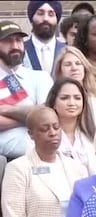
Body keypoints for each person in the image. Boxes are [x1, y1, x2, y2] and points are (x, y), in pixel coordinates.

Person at [0, 21, 53, 159]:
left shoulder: (40, 77)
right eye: (8, 41)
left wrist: (5, 110)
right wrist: (31, 116)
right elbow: (40, 115)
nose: (15, 46)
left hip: (42, 155)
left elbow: (47, 114)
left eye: (19, 40)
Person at [45, 78, 96, 175]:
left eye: (77, 98)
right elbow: (36, 171)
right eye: (64, 98)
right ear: (53, 102)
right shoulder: (41, 135)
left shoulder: (95, 135)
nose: (71, 103)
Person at [54, 46, 96, 127]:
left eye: (78, 63)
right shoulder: (54, 97)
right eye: (68, 64)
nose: (74, 68)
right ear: (60, 70)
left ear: (84, 68)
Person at [23, 1, 65, 77]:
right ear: (32, 18)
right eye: (40, 13)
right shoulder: (20, 50)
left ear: (57, 19)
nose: (45, 18)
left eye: (51, 14)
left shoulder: (67, 50)